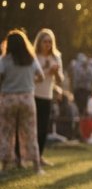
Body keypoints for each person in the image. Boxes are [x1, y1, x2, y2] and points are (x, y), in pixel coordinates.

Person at [0, 29, 45, 174]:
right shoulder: (31, 59)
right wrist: (30, 81)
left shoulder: (4, 60)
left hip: (9, 98)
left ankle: (5, 166)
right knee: (30, 132)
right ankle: (37, 166)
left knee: (7, 132)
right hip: (27, 98)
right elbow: (41, 77)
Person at [32, 29, 63, 166]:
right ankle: (25, 156)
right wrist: (47, 71)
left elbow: (60, 79)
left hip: (47, 96)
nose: (48, 44)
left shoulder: (56, 57)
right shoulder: (34, 57)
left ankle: (39, 156)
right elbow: (31, 79)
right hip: (33, 94)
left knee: (43, 128)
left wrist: (55, 73)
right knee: (31, 127)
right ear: (39, 42)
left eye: (50, 41)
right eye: (45, 41)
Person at [69, 52, 92, 131]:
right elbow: (78, 77)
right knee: (80, 111)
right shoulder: (76, 65)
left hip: (87, 91)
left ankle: (85, 130)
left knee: (86, 111)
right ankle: (80, 130)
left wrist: (88, 68)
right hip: (79, 91)